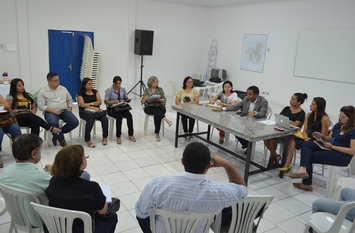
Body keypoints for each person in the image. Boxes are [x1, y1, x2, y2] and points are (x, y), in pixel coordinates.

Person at [135, 142, 248, 233]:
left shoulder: (157, 185)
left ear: (182, 162)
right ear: (209, 165)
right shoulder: (219, 193)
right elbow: (242, 190)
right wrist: (226, 163)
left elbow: (141, 214)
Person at [46, 145, 117, 233]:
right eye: (84, 157)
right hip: (83, 229)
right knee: (112, 216)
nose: (86, 159)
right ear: (79, 165)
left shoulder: (54, 181)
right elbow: (102, 211)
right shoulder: (92, 187)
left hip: (58, 227)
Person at [290, 105, 355, 191]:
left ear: (351, 118)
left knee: (309, 155)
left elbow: (352, 151)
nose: (341, 118)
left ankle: (306, 184)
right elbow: (330, 138)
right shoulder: (338, 125)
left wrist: (333, 147)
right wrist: (323, 137)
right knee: (307, 144)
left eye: (344, 117)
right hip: (330, 147)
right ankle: (303, 169)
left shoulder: (353, 130)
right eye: (340, 116)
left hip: (342, 155)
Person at [280, 97, 329, 174]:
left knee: (305, 145)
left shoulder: (324, 118)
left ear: (318, 107)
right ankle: (288, 163)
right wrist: (306, 139)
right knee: (291, 138)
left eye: (313, 104)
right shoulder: (309, 115)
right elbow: (305, 130)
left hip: (316, 141)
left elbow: (323, 136)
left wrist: (308, 141)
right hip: (307, 139)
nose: (310, 105)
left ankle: (300, 168)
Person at [218, 86, 268, 152]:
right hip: (246, 121)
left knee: (245, 129)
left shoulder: (263, 102)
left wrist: (255, 113)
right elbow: (235, 107)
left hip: (257, 123)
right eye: (247, 94)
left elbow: (262, 113)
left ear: (256, 95)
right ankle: (247, 144)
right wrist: (223, 108)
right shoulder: (246, 99)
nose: (248, 96)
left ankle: (249, 145)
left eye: (250, 94)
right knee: (233, 127)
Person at [263, 93, 307, 168]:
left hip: (291, 134)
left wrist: (287, 120)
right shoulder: (287, 108)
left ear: (299, 102)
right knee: (266, 137)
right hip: (281, 129)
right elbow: (280, 118)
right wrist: (290, 121)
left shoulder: (302, 113)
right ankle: (276, 156)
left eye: (293, 99)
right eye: (291, 99)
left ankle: (271, 158)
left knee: (273, 139)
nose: (290, 101)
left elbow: (296, 125)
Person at [37, 72, 79, 147]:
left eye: (58, 80)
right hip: (50, 111)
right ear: (49, 81)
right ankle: (61, 140)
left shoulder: (63, 89)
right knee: (53, 122)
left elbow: (70, 99)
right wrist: (54, 111)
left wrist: (70, 107)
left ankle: (57, 134)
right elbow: (41, 106)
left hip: (64, 110)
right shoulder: (43, 92)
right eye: (55, 80)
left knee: (75, 122)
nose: (58, 82)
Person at [78, 78, 108, 148]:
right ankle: (87, 139)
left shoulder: (95, 92)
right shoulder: (80, 93)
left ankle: (105, 137)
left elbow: (99, 102)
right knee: (90, 119)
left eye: (92, 84)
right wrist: (93, 106)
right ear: (84, 85)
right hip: (84, 112)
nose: (91, 85)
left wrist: (88, 104)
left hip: (96, 111)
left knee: (104, 118)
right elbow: (82, 105)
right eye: (89, 84)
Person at [104, 76, 135, 145]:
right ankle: (118, 136)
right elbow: (106, 102)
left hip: (121, 107)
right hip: (112, 108)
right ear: (113, 83)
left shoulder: (123, 89)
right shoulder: (109, 90)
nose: (118, 85)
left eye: (119, 83)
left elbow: (125, 98)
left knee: (129, 115)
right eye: (116, 84)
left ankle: (131, 134)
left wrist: (127, 100)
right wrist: (113, 102)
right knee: (119, 117)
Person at [141, 76, 172, 142]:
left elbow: (164, 100)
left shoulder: (160, 89)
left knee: (157, 113)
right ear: (150, 82)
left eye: (157, 82)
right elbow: (142, 102)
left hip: (159, 106)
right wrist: (146, 99)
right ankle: (164, 124)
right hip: (149, 107)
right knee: (155, 111)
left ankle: (157, 132)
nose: (156, 83)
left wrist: (159, 100)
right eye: (154, 82)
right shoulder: (147, 90)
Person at [0, 94, 21, 168]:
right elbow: (4, 105)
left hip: (5, 120)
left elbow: (6, 105)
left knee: (15, 128)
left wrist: (3, 106)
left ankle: (19, 153)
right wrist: (2, 106)